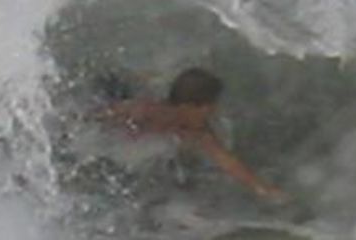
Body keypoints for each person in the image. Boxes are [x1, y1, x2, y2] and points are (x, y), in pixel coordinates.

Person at [89, 67, 286, 201]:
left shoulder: (199, 132)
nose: (213, 112)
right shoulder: (146, 111)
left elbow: (226, 161)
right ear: (189, 107)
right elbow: (95, 118)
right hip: (115, 101)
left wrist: (262, 188)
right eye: (208, 107)